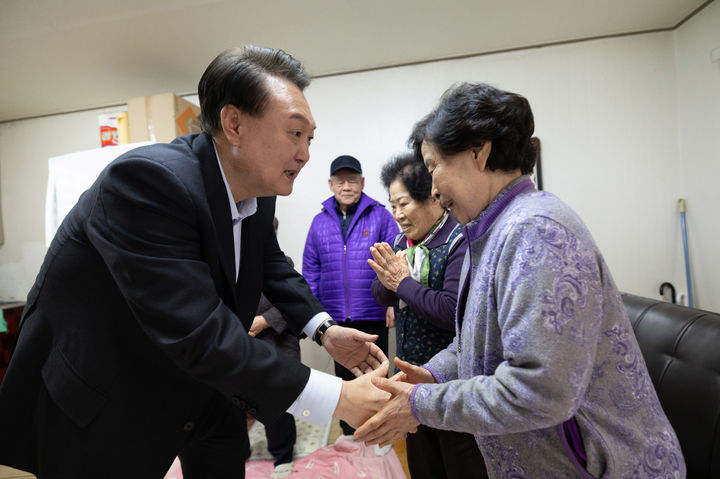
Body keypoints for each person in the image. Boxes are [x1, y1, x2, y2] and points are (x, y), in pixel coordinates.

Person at [0, 46, 390, 479]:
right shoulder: (148, 183)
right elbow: (199, 332)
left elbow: (271, 265)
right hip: (108, 388)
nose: (305, 154)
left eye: (309, 138)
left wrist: (325, 330)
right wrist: (337, 396)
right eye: (294, 134)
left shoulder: (257, 196)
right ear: (234, 123)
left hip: (201, 384)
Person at [355, 82, 686, 478]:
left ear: (479, 151)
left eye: (433, 168)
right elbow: (473, 342)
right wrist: (433, 374)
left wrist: (421, 402)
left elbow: (539, 389)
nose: (435, 190)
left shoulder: (535, 231)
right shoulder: (488, 232)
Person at [369, 153, 487, 479]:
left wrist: (402, 283)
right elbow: (382, 296)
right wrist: (388, 278)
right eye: (392, 205)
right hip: (410, 382)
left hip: (453, 385)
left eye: (403, 204)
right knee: (424, 467)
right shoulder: (401, 242)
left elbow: (453, 313)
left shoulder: (458, 241)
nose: (397, 214)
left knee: (460, 464)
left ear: (433, 198)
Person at [303, 154, 398, 436]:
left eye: (353, 180)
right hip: (334, 319)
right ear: (331, 185)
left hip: (373, 311)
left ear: (362, 183)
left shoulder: (380, 216)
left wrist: (392, 301)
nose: (347, 186)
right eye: (341, 181)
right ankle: (349, 432)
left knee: (378, 373)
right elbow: (311, 268)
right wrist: (314, 313)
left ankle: (384, 429)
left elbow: (394, 260)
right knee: (345, 376)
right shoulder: (319, 223)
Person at [247, 217, 300, 479]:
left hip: (277, 342)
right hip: (241, 343)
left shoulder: (283, 264)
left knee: (278, 403)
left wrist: (262, 321)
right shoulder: (232, 266)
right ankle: (239, 450)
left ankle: (283, 455)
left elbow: (294, 304)